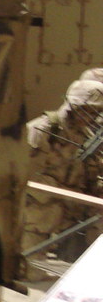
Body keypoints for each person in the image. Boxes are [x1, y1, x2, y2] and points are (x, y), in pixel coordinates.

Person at [24, 78, 103, 270]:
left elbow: (90, 173)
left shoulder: (86, 137)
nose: (92, 117)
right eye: (88, 111)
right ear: (74, 106)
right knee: (28, 270)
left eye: (96, 112)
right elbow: (23, 173)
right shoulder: (43, 129)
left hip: (68, 209)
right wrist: (59, 188)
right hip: (39, 209)